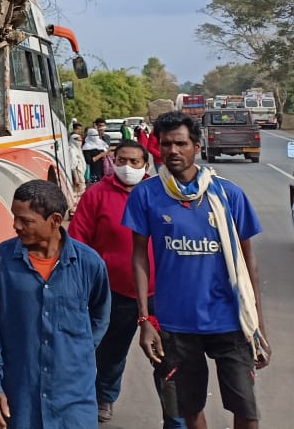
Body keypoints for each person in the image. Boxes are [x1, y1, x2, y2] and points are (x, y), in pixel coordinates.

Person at [123, 112, 270, 429]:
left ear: (197, 147)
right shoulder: (146, 196)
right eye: (166, 144)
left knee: (246, 409)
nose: (173, 151)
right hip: (176, 325)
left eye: (180, 143)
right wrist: (145, 320)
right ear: (157, 148)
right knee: (189, 409)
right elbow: (139, 258)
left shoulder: (228, 195)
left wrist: (258, 325)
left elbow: (248, 261)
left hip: (229, 320)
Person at [0, 180, 111, 429]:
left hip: (74, 399)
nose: (15, 226)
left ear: (56, 221)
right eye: (15, 217)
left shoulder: (89, 264)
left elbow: (100, 316)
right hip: (21, 396)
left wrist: (76, 352)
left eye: (25, 221)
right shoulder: (2, 260)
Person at [69, 141, 185, 427]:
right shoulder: (96, 196)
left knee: (166, 358)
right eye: (122, 160)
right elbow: (77, 242)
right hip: (112, 293)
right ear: (112, 161)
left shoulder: (162, 194)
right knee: (110, 354)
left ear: (146, 164)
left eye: (135, 162)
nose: (128, 167)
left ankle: (174, 417)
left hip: (160, 294)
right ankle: (104, 397)